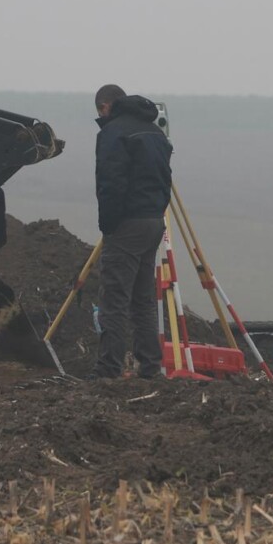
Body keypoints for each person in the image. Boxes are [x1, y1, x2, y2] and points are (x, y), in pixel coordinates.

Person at [92, 84, 173, 379]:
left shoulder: (113, 133)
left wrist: (108, 225)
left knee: (114, 299)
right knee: (143, 301)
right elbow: (167, 178)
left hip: (127, 224)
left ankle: (108, 369)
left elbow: (110, 184)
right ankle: (150, 367)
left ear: (105, 107)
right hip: (153, 221)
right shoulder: (154, 132)